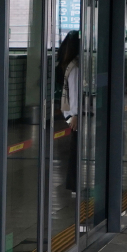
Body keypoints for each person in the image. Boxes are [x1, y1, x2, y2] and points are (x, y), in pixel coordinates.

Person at [60, 30, 79, 192]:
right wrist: (75, 115)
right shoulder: (75, 67)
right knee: (75, 150)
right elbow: (74, 93)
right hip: (73, 115)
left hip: (71, 114)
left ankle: (73, 184)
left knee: (76, 149)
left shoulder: (71, 65)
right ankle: (73, 184)